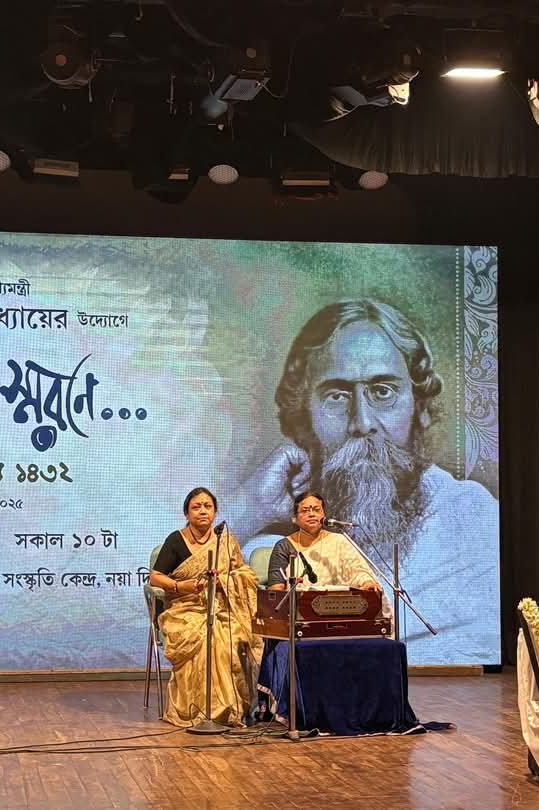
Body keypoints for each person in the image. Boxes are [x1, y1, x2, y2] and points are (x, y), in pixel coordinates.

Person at [231, 299, 500, 663]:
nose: (362, 422)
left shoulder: (469, 519)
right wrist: (250, 506)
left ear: (419, 406)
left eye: (383, 391)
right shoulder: (271, 546)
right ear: (304, 416)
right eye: (336, 396)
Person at [149, 487, 263, 727]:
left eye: (207, 506)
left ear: (215, 512)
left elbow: (244, 573)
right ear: (187, 513)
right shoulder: (176, 540)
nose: (202, 511)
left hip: (223, 607)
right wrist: (181, 586)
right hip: (185, 608)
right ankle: (200, 710)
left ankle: (231, 710)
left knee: (233, 639)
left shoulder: (225, 541)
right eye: (196, 507)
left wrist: (225, 581)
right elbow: (155, 577)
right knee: (207, 640)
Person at [266, 493, 389, 622]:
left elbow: (357, 569)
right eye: (305, 510)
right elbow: (276, 591)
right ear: (295, 518)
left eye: (316, 509)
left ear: (323, 514)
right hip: (300, 616)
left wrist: (367, 582)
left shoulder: (339, 541)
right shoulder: (284, 546)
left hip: (342, 611)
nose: (311, 514)